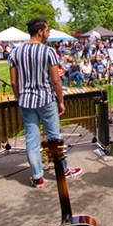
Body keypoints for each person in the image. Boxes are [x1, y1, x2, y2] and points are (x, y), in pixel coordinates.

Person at [9, 18, 81, 188]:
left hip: (26, 102)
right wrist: (61, 101)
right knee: (54, 137)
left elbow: (13, 82)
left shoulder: (14, 53)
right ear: (40, 31)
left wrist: (20, 97)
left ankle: (37, 176)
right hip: (46, 100)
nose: (49, 34)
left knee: (31, 139)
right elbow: (56, 81)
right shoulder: (48, 52)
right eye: (47, 31)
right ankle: (62, 170)